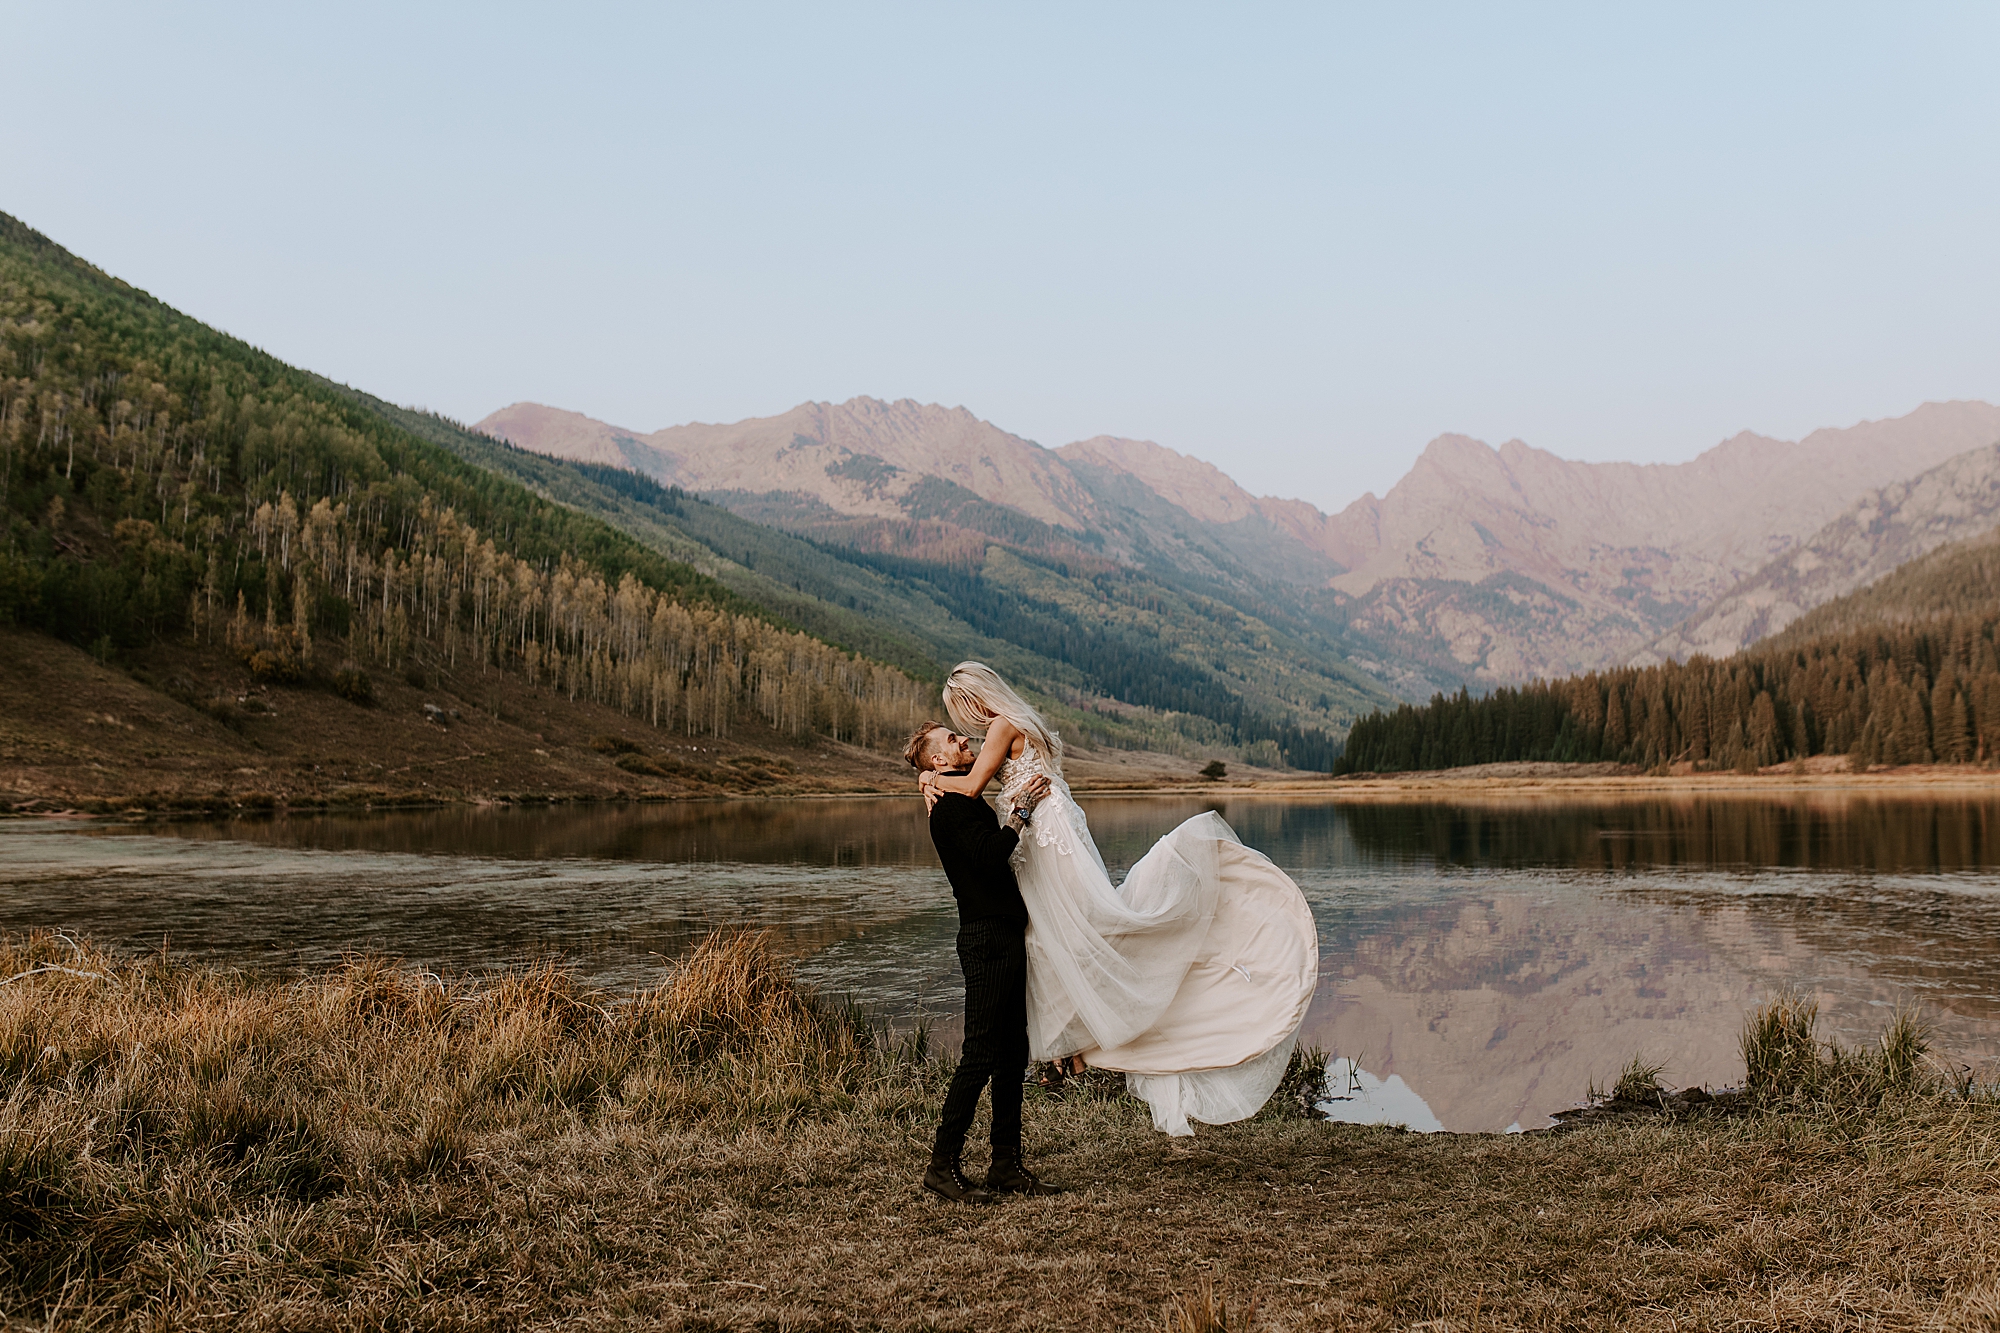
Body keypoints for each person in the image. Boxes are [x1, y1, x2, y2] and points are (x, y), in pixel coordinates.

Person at [918, 662, 1319, 1137]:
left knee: (1079, 935)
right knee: (1055, 943)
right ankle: (1074, 1047)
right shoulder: (1015, 725)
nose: (963, 729)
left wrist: (929, 780)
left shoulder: (1004, 726)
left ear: (973, 700)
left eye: (960, 713)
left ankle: (1077, 1043)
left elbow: (971, 787)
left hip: (1044, 841)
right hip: (1046, 836)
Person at [904, 720, 1060, 1205]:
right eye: (953, 740)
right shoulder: (949, 811)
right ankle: (941, 1167)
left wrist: (927, 780)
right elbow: (992, 857)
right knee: (979, 1054)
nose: (964, 741)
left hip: (1005, 933)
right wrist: (1020, 814)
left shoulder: (958, 796)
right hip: (985, 939)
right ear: (937, 760)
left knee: (1012, 1055)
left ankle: (1006, 1166)